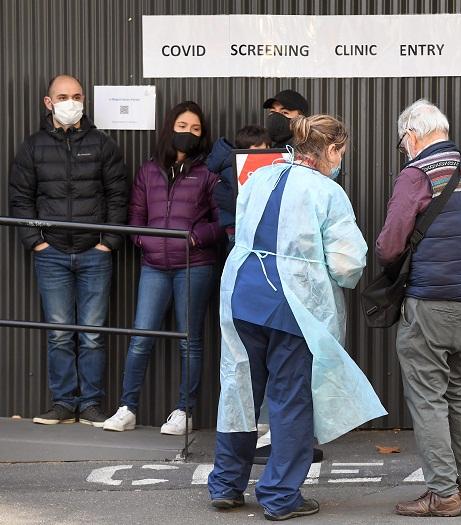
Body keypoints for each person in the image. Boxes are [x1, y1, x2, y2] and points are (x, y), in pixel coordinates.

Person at [207, 114, 385, 520]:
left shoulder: (260, 176)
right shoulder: (327, 191)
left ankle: (226, 484)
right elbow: (346, 263)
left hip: (241, 293)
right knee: (290, 400)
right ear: (334, 149)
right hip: (293, 305)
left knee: (238, 390)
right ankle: (280, 495)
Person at [376, 99, 461, 517]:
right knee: (459, 393)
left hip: (431, 301)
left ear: (412, 135)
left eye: (402, 142)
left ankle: (443, 493)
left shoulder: (418, 174)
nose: (404, 149)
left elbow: (391, 244)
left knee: (428, 398)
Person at [8, 74, 128, 427]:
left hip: (95, 253)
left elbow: (118, 196)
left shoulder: (103, 145)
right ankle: (63, 403)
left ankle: (90, 404)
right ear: (48, 102)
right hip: (52, 254)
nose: (70, 101)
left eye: (76, 95)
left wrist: (109, 242)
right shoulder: (32, 146)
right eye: (62, 96)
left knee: (92, 333)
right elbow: (20, 199)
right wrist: (36, 242)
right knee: (59, 333)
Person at [102, 101, 223, 435]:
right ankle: (127, 408)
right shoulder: (149, 169)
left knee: (189, 340)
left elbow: (222, 222)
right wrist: (146, 241)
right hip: (154, 266)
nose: (188, 134)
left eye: (196, 129)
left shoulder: (208, 172)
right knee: (141, 336)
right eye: (182, 127)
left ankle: (185, 412)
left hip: (194, 266)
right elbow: (135, 218)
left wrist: (195, 238)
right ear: (170, 127)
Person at [209, 124, 272, 252]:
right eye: (257, 151)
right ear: (243, 151)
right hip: (238, 232)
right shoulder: (232, 169)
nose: (263, 155)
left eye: (267, 150)